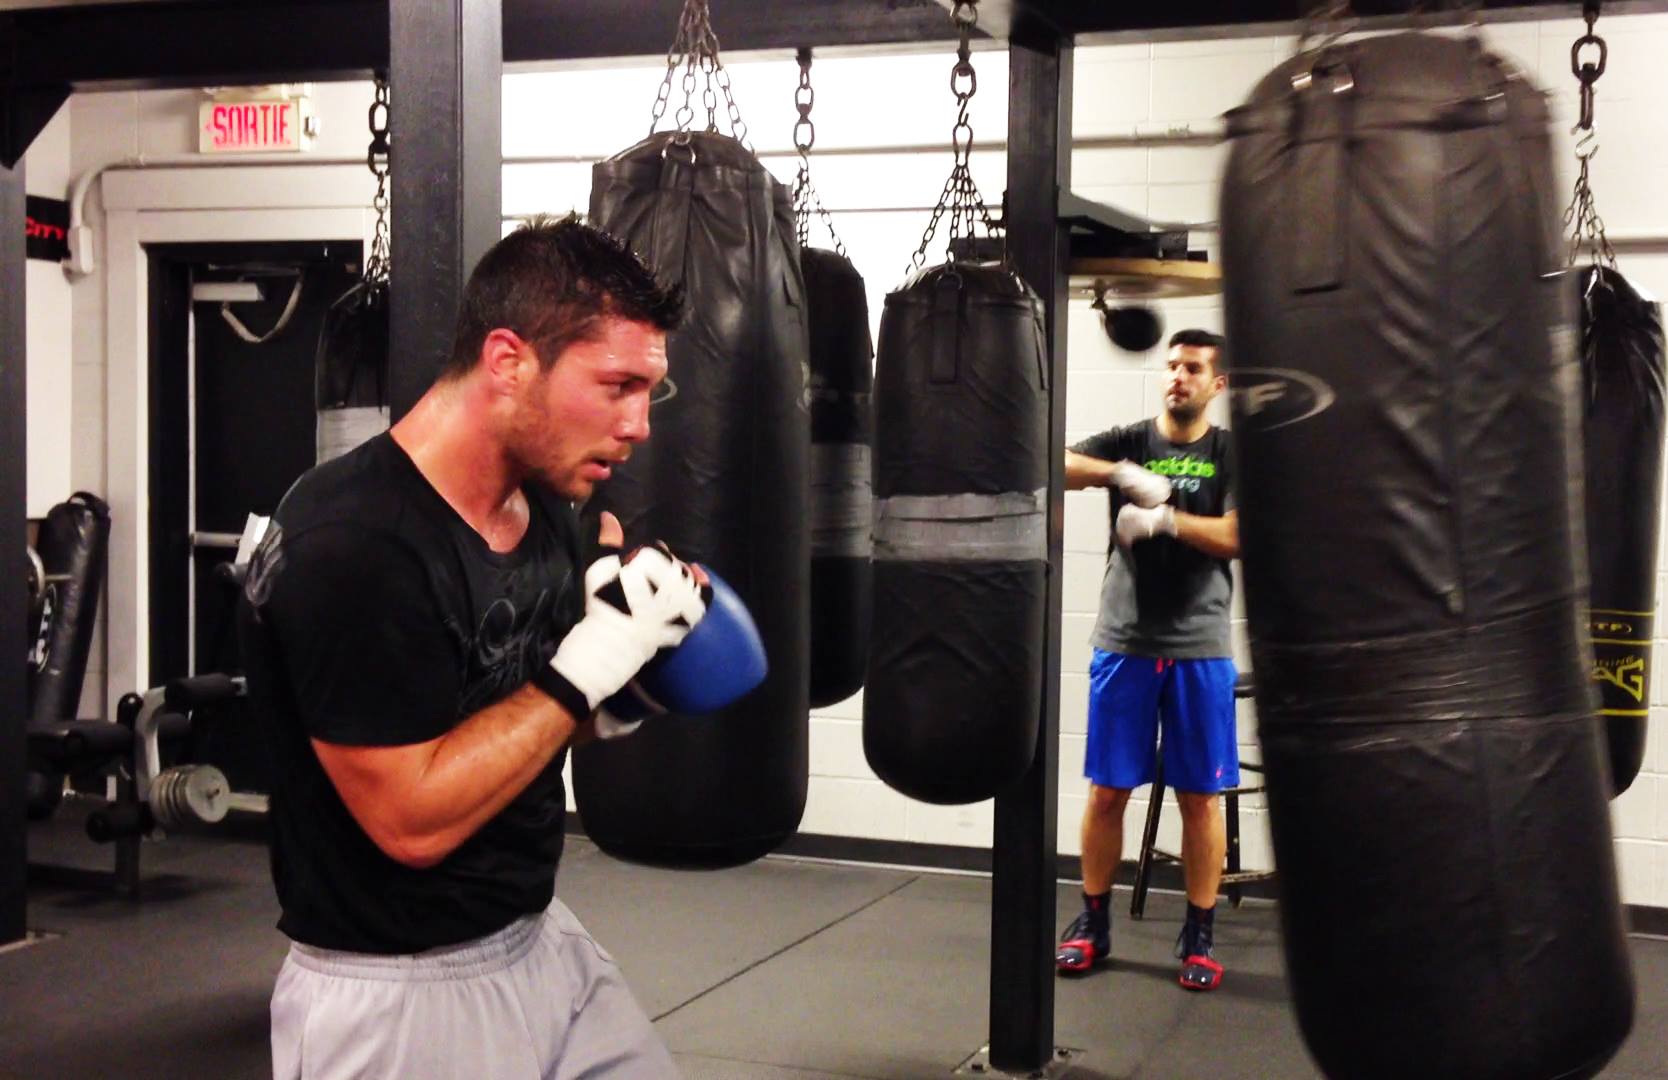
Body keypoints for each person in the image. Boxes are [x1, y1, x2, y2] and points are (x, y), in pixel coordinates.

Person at [237, 214, 700, 1078]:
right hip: (396, 995)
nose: (639, 424)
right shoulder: (355, 543)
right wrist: (591, 664)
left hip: (538, 941)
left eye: (651, 391)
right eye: (617, 385)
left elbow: (528, 722)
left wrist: (634, 676)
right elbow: (411, 823)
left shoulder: (549, 512)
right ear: (508, 360)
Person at [1054, 328, 1240, 992]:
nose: (1178, 377)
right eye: (1172, 366)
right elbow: (1051, 462)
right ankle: (1092, 923)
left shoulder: (1229, 452)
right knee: (1108, 791)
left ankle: (1199, 935)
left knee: (1200, 799)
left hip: (1199, 645)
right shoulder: (1130, 440)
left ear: (1217, 383)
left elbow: (1238, 534)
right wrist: (1115, 473)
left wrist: (1168, 521)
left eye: (1193, 368)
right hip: (1124, 640)